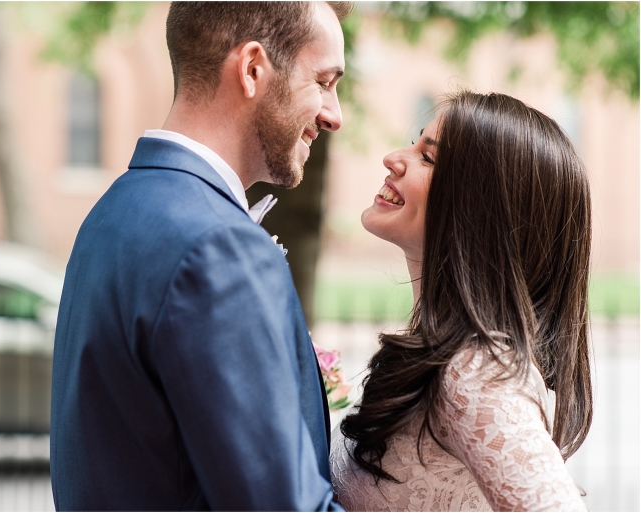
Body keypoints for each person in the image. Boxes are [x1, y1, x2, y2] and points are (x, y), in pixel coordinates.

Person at [50, 2, 352, 510]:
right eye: (323, 82)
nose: (334, 115)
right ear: (253, 69)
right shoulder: (219, 247)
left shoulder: (114, 211)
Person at [330, 90, 592, 511]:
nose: (393, 158)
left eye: (428, 159)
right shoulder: (449, 354)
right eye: (415, 144)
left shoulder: (476, 371)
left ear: (481, 210)